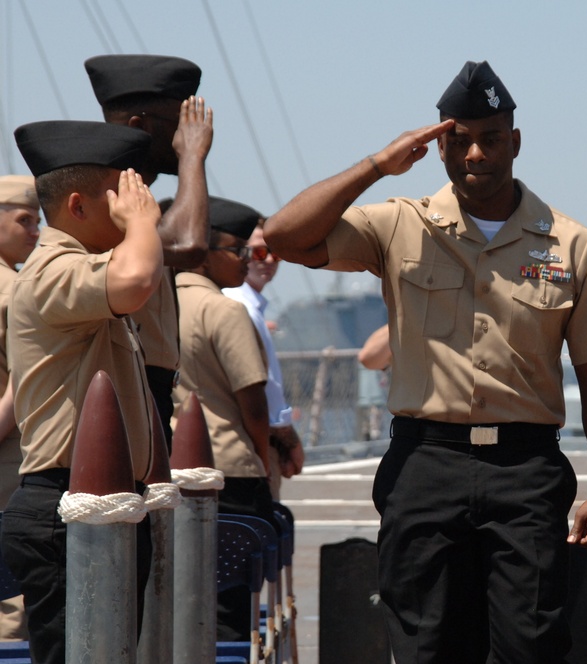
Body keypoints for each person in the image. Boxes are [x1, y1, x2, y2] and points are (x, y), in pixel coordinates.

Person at [264, 60, 587, 663]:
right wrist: (377, 166)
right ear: (438, 147)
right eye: (458, 141)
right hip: (424, 465)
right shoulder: (398, 225)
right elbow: (284, 237)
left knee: (532, 646)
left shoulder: (569, 242)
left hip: (526, 469)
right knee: (424, 646)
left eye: (491, 139)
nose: (475, 155)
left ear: (515, 142)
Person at [1, 120, 161, 664]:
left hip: (95, 505)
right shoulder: (53, 273)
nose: (134, 207)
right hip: (66, 507)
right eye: (120, 197)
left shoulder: (87, 272)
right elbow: (138, 281)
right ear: (78, 206)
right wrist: (143, 224)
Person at [86, 54, 213, 449]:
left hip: (145, 393)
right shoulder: (107, 199)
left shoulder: (142, 201)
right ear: (138, 126)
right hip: (119, 396)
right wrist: (192, 156)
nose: (189, 134)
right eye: (180, 124)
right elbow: (187, 244)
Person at [172, 195, 273, 641]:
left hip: (167, 470)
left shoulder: (151, 304)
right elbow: (252, 400)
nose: (247, 260)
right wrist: (264, 457)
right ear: (204, 251)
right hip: (229, 473)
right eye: (238, 250)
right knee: (228, 608)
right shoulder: (225, 310)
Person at [223, 220, 305, 499]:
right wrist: (290, 441)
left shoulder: (239, 302)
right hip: (254, 443)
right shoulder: (242, 307)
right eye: (259, 252)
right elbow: (261, 386)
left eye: (276, 252)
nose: (269, 259)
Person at [0, 175, 40, 642]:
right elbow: (21, 378)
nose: (34, 232)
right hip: (8, 449)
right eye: (24, 219)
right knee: (10, 591)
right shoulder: (15, 288)